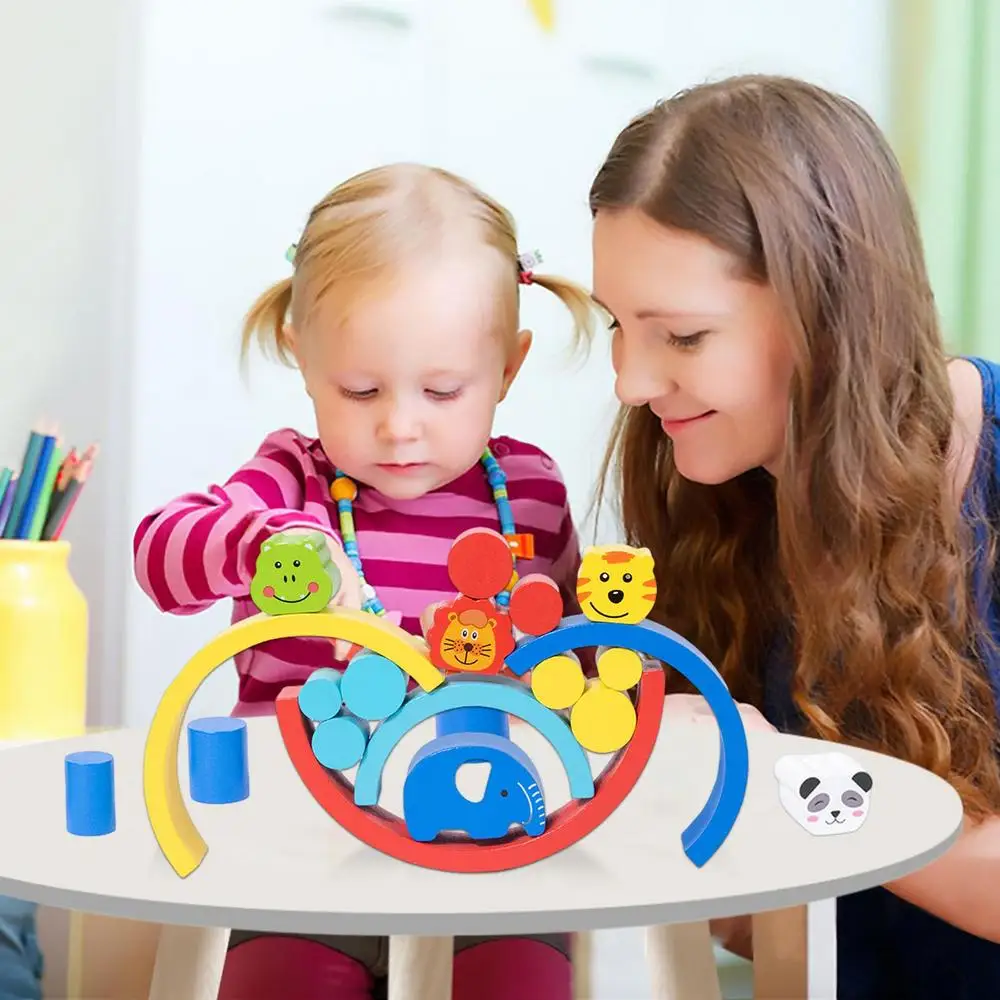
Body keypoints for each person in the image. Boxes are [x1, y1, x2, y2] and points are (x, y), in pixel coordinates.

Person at [132, 163, 596, 1000]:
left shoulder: (530, 493)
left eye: (443, 390)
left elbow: (573, 667)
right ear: (301, 356)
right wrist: (267, 545)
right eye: (360, 389)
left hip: (493, 860)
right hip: (298, 864)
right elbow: (160, 554)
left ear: (509, 368)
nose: (399, 424)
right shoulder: (292, 481)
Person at [586, 74, 1000, 999]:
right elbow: (765, 925)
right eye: (620, 325)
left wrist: (776, 777)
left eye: (683, 337)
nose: (631, 383)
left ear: (829, 313)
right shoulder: (713, 497)